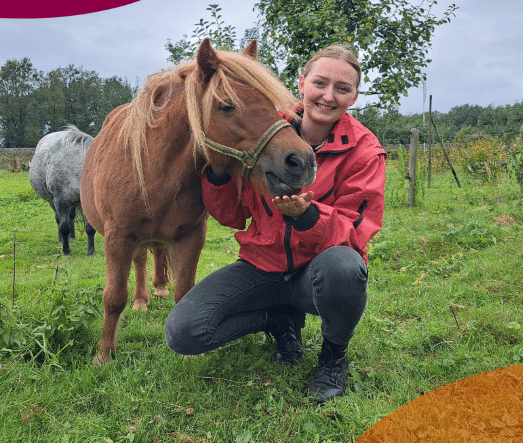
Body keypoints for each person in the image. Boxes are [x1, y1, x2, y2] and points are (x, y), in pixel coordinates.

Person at [165, 44, 386, 402]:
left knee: (345, 267)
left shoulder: (364, 151)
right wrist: (219, 174)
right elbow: (233, 216)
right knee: (184, 332)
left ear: (355, 96)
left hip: (314, 275)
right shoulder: (264, 129)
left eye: (342, 89)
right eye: (320, 83)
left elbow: (356, 231)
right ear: (301, 83)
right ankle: (276, 318)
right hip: (261, 266)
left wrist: (308, 216)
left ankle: (333, 354)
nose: (328, 96)